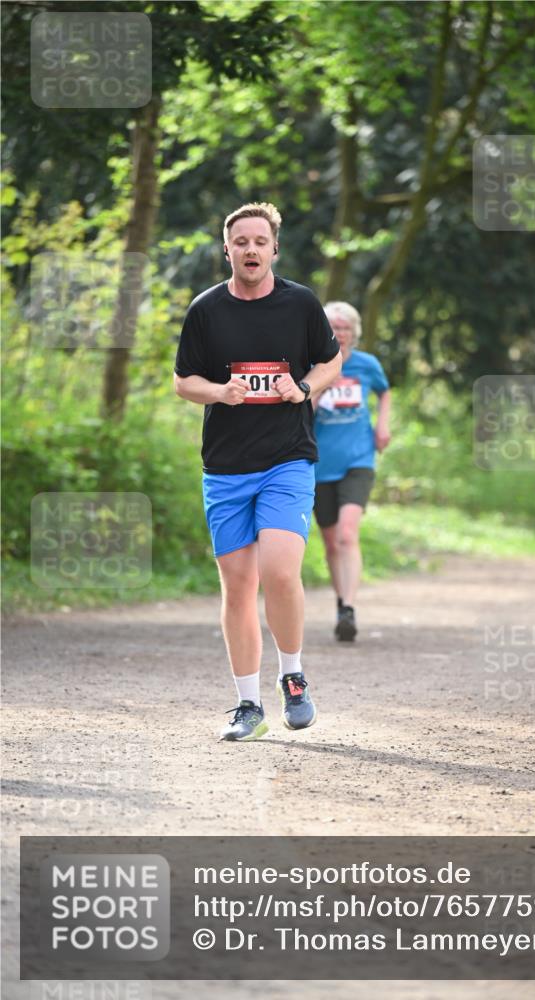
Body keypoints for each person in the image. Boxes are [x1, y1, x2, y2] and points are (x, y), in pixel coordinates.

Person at [174, 203, 341, 741]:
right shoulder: (205, 310)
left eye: (259, 241)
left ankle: (292, 675)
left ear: (274, 249)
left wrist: (305, 387)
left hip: (288, 458)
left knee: (279, 570)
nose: (250, 249)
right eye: (240, 241)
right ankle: (248, 705)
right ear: (227, 249)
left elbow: (330, 359)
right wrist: (220, 392)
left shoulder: (300, 304)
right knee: (238, 586)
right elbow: (183, 381)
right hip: (225, 467)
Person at [312, 301, 391, 640]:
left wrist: (382, 426)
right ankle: (341, 601)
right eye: (333, 328)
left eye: (344, 328)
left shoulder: (366, 364)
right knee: (331, 543)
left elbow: (384, 392)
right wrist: (321, 387)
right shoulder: (312, 366)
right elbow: (300, 409)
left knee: (347, 533)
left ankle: (349, 608)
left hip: (359, 460)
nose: (339, 334)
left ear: (354, 332)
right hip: (318, 465)